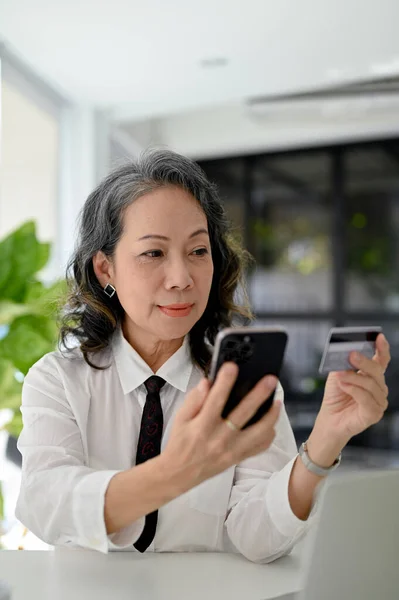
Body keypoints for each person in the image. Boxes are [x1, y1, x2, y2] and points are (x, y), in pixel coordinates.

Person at [15, 149, 390, 563]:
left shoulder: (242, 385)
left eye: (198, 251)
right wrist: (177, 470)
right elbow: (45, 502)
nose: (182, 279)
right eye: (153, 253)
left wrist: (326, 439)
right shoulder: (59, 380)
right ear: (106, 270)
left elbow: (258, 537)